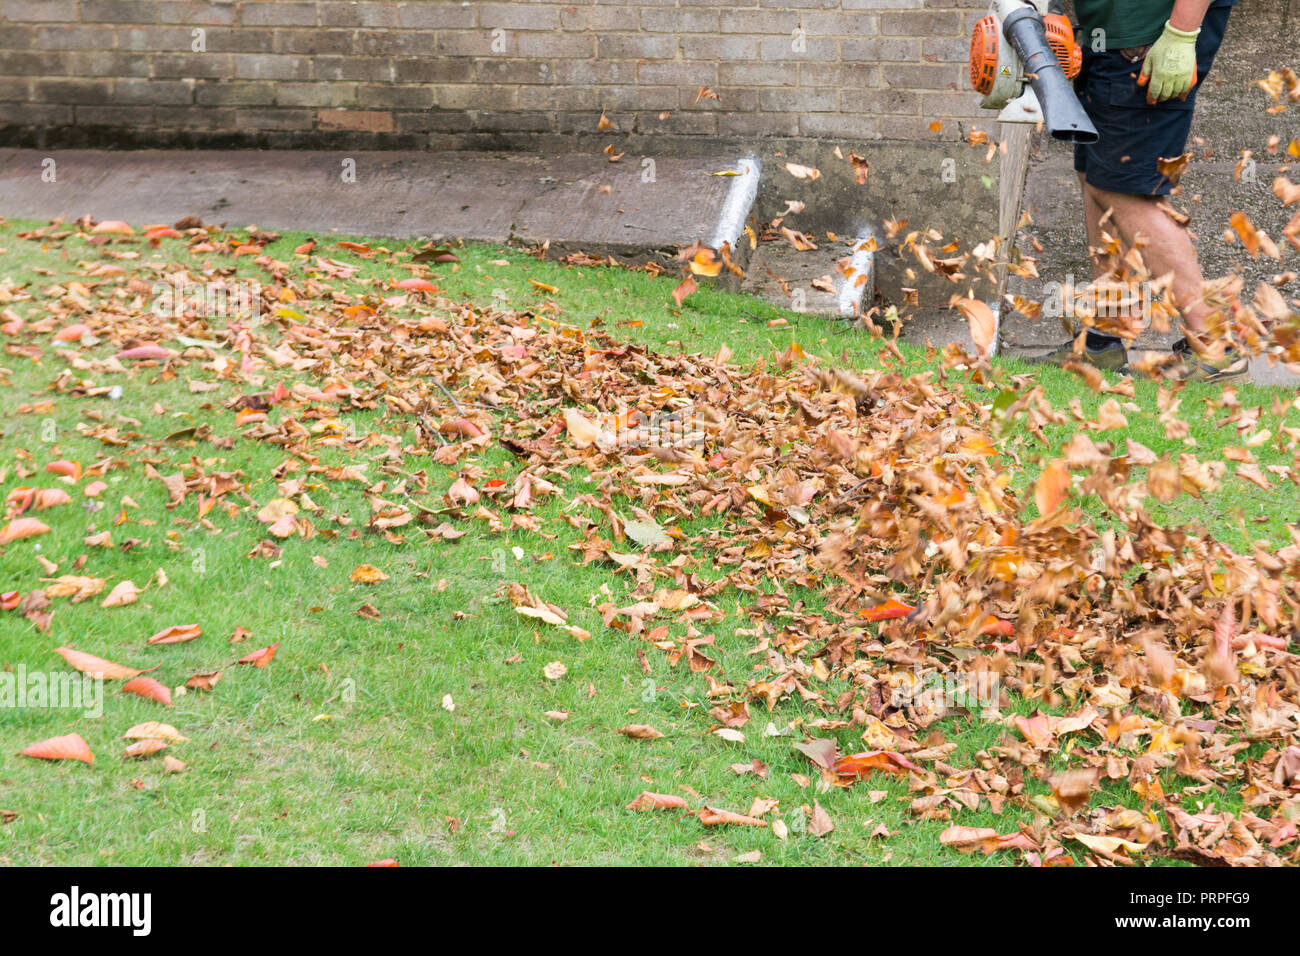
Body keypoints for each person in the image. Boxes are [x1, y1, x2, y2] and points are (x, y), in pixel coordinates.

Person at [1035, 0, 1246, 382]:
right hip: (1110, 41)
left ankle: (1217, 348)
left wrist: (1182, 33)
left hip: (1149, 43)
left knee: (1128, 194)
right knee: (1097, 182)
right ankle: (1104, 339)